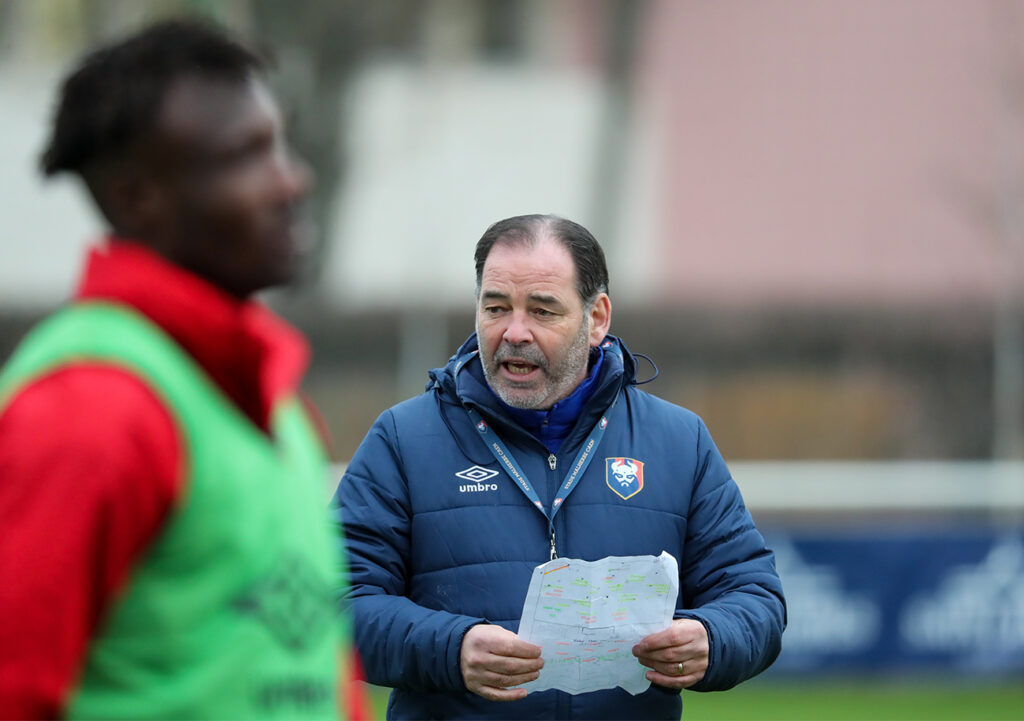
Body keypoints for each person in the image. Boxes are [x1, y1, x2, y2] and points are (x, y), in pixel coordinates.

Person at [0, 19, 367, 720]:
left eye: (280, 144)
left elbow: (315, 666)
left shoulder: (274, 405)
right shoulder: (91, 404)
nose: (293, 180)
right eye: (246, 156)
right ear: (140, 197)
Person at [333, 214, 786, 719]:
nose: (514, 332)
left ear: (596, 319)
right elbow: (336, 600)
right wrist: (451, 648)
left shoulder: (679, 442)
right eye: (496, 307)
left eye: (542, 311)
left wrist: (711, 638)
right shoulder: (403, 438)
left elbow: (754, 594)